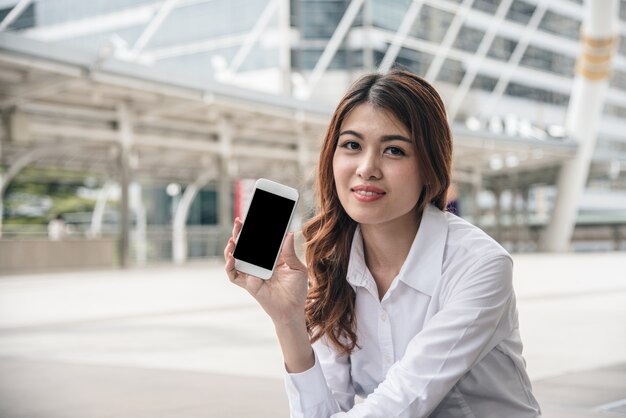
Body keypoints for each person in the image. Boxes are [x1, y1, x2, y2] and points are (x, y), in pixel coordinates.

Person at [224, 69, 541, 417]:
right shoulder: (335, 263)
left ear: (430, 168)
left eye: (394, 150)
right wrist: (288, 320)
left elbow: (399, 405)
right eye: (352, 145)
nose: (367, 167)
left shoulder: (479, 265)